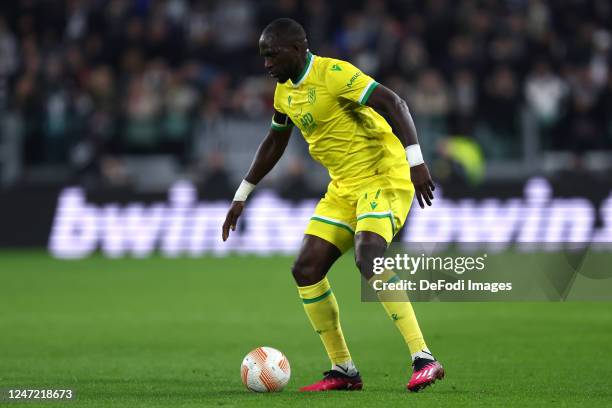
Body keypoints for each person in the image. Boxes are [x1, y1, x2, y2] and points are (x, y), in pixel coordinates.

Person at [222, 18, 443, 392]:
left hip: (382, 174)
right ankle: (343, 370)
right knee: (306, 268)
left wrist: (416, 161)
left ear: (296, 48)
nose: (267, 65)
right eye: (263, 57)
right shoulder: (283, 92)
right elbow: (275, 142)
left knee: (368, 256)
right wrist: (242, 194)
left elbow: (394, 102)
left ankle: (424, 357)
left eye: (272, 55)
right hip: (343, 187)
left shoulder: (334, 73)